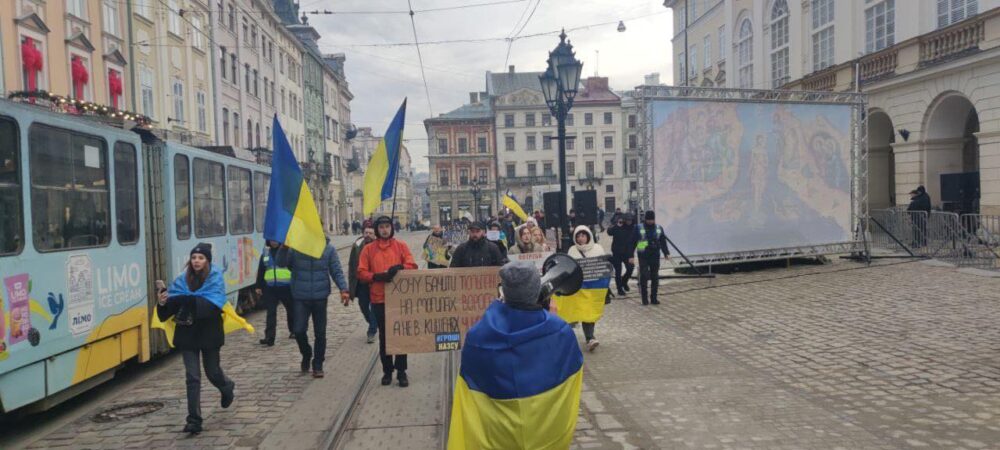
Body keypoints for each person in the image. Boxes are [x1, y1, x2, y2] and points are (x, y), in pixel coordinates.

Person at [447, 261, 583, 449]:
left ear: (504, 291)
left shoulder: (477, 336)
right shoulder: (560, 331)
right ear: (536, 290)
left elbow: (470, 386)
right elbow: (572, 372)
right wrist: (554, 321)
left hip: (498, 436)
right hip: (545, 435)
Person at [156, 243, 235, 434]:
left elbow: (212, 307)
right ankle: (194, 420)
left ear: (207, 261)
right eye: (194, 258)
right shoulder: (181, 282)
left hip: (209, 334)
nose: (196, 261)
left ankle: (226, 386)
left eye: (200, 258)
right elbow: (166, 314)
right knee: (192, 378)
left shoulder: (215, 279)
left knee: (212, 372)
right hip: (187, 335)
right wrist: (162, 302)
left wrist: (186, 299)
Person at [358, 215, 418, 387]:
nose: (385, 230)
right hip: (378, 298)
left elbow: (412, 265)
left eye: (387, 226)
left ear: (392, 228)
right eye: (382, 227)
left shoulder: (401, 246)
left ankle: (401, 371)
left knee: (400, 335)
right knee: (385, 336)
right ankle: (387, 370)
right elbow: (361, 272)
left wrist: (400, 268)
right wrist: (376, 276)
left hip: (398, 299)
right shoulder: (369, 249)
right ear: (377, 229)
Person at [281, 238, 350, 378]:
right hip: (300, 296)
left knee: (320, 333)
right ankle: (306, 353)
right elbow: (281, 263)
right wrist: (284, 249)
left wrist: (344, 289)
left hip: (320, 296)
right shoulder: (295, 247)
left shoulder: (328, 248)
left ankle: (318, 364)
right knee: (298, 330)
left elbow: (336, 270)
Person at [567, 226, 605, 351]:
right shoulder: (572, 250)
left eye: (583, 235)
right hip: (579, 288)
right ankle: (583, 337)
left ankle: (590, 337)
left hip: (593, 288)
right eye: (578, 236)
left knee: (589, 313)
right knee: (581, 312)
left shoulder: (598, 249)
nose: (580, 238)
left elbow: (603, 267)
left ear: (588, 236)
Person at [254, 240, 293, 346]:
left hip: (286, 286)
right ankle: (269, 337)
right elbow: (261, 270)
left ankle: (293, 331)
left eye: (275, 239)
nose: (273, 242)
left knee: (291, 309)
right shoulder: (266, 253)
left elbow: (293, 268)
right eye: (271, 240)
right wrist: (258, 285)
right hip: (270, 288)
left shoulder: (287, 251)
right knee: (271, 313)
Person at [349, 220, 378, 343]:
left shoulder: (379, 245)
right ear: (363, 233)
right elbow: (352, 265)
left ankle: (371, 330)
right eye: (366, 233)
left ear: (375, 234)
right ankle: (373, 323)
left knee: (375, 308)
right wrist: (351, 285)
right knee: (363, 306)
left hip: (375, 282)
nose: (368, 235)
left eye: (371, 233)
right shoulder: (357, 244)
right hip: (361, 283)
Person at [636, 211, 670, 305]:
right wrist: (630, 255)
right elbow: (632, 241)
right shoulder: (639, 227)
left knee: (655, 276)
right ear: (645, 219)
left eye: (652, 219)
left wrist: (666, 253)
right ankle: (644, 299)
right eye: (648, 219)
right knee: (644, 275)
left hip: (655, 254)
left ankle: (654, 298)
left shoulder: (659, 228)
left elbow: (663, 241)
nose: (650, 221)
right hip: (643, 255)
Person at [607, 213, 638, 296]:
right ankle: (619, 289)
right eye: (627, 220)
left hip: (627, 253)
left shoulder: (634, 228)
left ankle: (624, 282)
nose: (629, 222)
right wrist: (616, 226)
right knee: (618, 271)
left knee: (630, 268)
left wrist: (638, 250)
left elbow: (637, 241)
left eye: (630, 220)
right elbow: (609, 232)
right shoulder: (619, 227)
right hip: (617, 252)